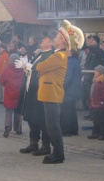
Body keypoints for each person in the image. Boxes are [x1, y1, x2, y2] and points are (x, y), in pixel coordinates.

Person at [36, 20, 84, 164]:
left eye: (57, 37)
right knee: (52, 126)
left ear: (63, 41)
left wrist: (41, 67)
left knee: (53, 126)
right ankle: (57, 153)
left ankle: (58, 154)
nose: (54, 39)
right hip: (50, 93)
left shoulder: (58, 55)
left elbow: (40, 66)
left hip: (52, 94)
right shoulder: (58, 54)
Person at [15, 33, 54, 156]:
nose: (42, 40)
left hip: (39, 89)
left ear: (51, 43)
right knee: (32, 118)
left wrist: (26, 65)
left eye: (45, 39)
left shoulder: (51, 55)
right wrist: (26, 67)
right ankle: (33, 144)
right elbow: (33, 68)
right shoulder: (40, 54)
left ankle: (46, 146)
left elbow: (39, 68)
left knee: (41, 119)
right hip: (31, 88)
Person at [0, 54, 24, 138]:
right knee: (18, 112)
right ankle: (18, 128)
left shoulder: (7, 69)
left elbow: (2, 81)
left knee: (9, 111)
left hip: (9, 92)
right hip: (19, 93)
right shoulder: (22, 70)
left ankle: (7, 126)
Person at [60, 48, 82, 136]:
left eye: (68, 51)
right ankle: (73, 130)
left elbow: (67, 76)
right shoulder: (75, 61)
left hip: (69, 90)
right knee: (72, 111)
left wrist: (62, 86)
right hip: (74, 89)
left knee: (66, 111)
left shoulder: (70, 62)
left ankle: (66, 131)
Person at [87, 65, 104, 140]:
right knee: (95, 119)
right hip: (94, 102)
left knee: (102, 120)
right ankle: (95, 133)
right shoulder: (94, 81)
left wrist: (102, 101)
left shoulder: (103, 82)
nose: (95, 72)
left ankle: (102, 134)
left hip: (101, 104)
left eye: (96, 71)